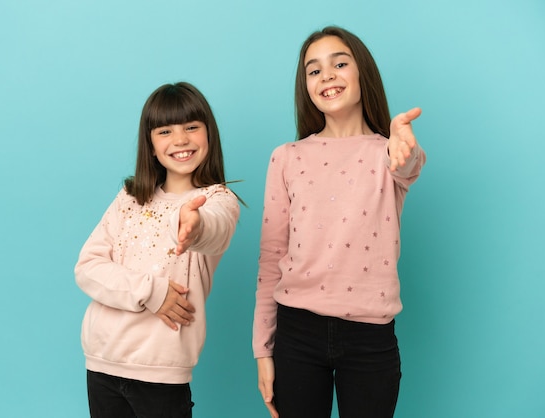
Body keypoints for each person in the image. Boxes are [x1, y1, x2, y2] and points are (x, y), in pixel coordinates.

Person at [253, 26, 426, 418]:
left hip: (370, 337)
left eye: (340, 63)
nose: (327, 75)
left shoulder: (388, 154)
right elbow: (271, 257)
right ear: (306, 86)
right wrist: (262, 349)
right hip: (296, 333)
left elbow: (409, 164)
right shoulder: (287, 157)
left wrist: (403, 146)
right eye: (314, 70)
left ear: (363, 73)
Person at [75, 82, 240, 418]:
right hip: (102, 363)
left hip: (161, 372)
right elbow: (88, 267)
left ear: (209, 134)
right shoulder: (130, 197)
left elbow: (214, 230)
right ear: (150, 144)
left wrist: (191, 224)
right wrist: (152, 291)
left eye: (192, 127)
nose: (180, 140)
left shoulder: (218, 200)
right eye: (165, 131)